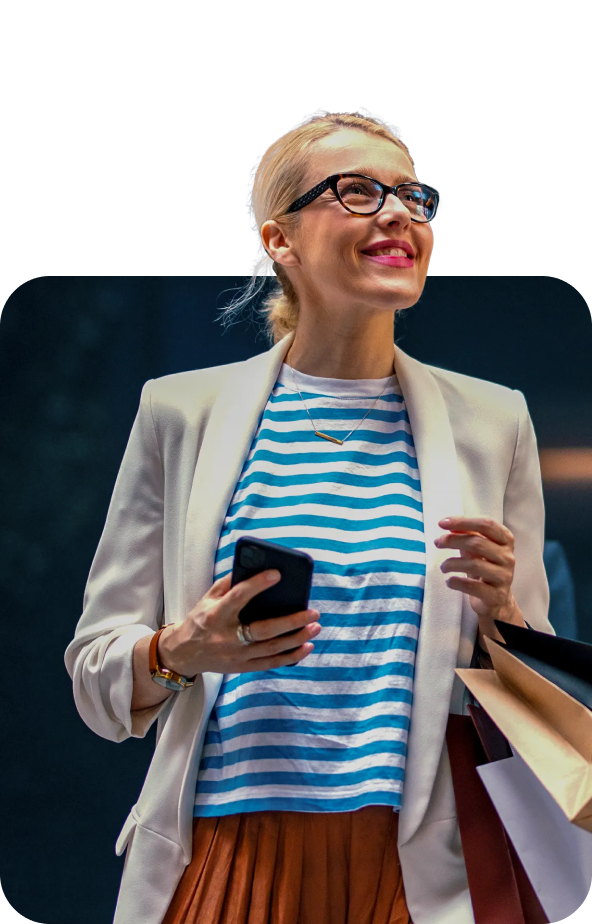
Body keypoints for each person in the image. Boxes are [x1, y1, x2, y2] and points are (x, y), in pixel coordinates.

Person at [64, 109, 555, 924]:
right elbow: (95, 679)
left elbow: (534, 697)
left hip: (415, 874)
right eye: (357, 192)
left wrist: (502, 613)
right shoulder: (180, 412)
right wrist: (182, 649)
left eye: (411, 196)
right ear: (279, 241)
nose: (398, 213)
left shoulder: (494, 421)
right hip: (223, 863)